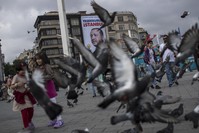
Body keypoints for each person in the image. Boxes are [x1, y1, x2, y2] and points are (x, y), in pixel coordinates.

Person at [34, 51, 64, 128]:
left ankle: (59, 120)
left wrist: (42, 78)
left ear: (43, 59)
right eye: (37, 59)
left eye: (40, 59)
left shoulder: (47, 66)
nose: (38, 61)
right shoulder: (38, 67)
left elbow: (51, 75)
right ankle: (54, 119)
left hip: (49, 87)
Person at [10, 61, 36, 133]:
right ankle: (26, 127)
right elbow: (11, 87)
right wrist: (17, 84)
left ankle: (29, 121)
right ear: (18, 70)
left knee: (31, 110)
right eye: (22, 70)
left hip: (27, 95)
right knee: (24, 112)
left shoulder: (26, 76)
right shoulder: (16, 77)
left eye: (25, 69)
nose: (24, 71)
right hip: (20, 97)